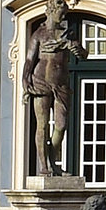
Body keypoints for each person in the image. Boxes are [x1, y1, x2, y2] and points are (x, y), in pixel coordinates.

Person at [21, 17, 81, 179]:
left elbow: (83, 54)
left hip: (61, 85)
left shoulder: (67, 34)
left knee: (61, 126)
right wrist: (25, 79)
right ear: (51, 12)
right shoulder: (39, 35)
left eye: (64, 14)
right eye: (60, 13)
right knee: (42, 125)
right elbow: (29, 59)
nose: (62, 17)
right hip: (40, 81)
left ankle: (53, 161)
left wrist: (75, 48)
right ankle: (44, 166)